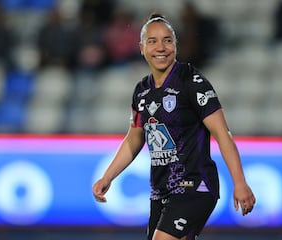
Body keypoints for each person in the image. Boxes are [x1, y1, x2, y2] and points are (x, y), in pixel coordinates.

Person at [92, 13, 256, 240]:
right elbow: (134, 139)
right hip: (160, 192)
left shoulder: (192, 81)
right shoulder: (142, 91)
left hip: (194, 186)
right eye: (153, 41)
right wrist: (107, 177)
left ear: (176, 45)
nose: (161, 47)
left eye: (167, 40)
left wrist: (240, 182)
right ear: (141, 48)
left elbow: (222, 133)